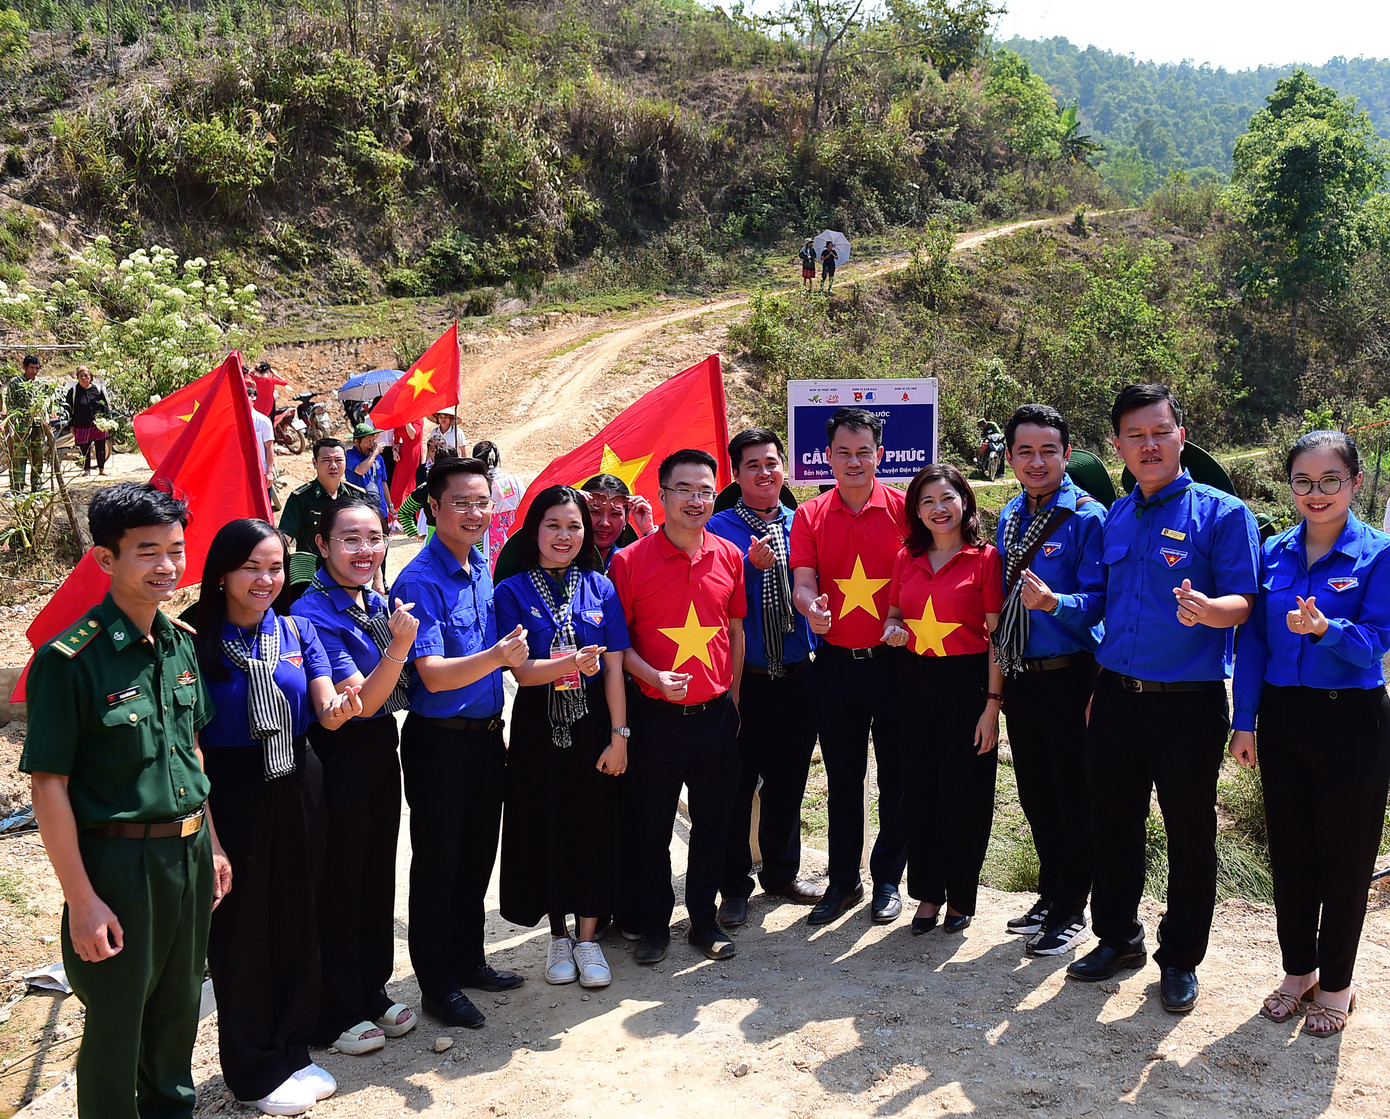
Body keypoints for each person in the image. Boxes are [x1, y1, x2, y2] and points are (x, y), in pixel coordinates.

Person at [20, 483, 232, 1119]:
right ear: (106, 559)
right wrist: (82, 902)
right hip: (119, 867)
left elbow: (191, 752)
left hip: (188, 856)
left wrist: (213, 845)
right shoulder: (70, 660)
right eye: (148, 552)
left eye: (176, 549)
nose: (167, 565)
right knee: (117, 1027)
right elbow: (48, 786)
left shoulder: (180, 643)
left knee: (177, 1016)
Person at [1066, 383, 1259, 1017]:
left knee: (1189, 832)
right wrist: (1095, 683)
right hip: (1115, 697)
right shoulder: (1116, 516)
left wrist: (1209, 610)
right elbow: (1105, 603)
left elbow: (1245, 602)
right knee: (1112, 822)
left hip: (1187, 703)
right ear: (1117, 446)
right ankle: (1118, 938)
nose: (1148, 445)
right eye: (1135, 436)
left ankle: (1179, 958)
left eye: (1159, 432)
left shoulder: (1223, 514)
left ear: (1181, 436)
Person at [194, 518, 363, 1116]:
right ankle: (251, 1067)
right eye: (252, 567)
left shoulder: (293, 628)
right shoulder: (192, 639)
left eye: (275, 568)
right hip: (230, 787)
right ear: (222, 573)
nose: (265, 580)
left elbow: (326, 707)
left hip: (297, 776)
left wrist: (345, 705)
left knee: (296, 915)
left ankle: (292, 1048)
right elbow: (190, 742)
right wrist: (210, 832)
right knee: (241, 930)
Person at [1230, 430, 1390, 1037]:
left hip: (1352, 721)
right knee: (1291, 853)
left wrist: (1327, 631)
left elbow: (1376, 644)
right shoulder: (1272, 552)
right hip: (1283, 719)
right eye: (1303, 481)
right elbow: (1253, 643)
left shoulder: (1379, 554)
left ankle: (1338, 984)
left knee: (1345, 859)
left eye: (1330, 481)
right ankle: (1299, 972)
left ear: (1354, 483)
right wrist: (1244, 721)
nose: (1316, 493)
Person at [390, 457, 530, 1029]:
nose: (475, 513)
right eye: (461, 503)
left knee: (476, 857)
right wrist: (497, 657)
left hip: (485, 739)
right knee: (438, 865)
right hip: (440, 743)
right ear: (433, 508)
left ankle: (470, 960)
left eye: (482, 502)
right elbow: (432, 674)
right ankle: (438, 984)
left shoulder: (479, 565)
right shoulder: (419, 580)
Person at [291, 496, 420, 1055]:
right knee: (339, 880)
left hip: (379, 750)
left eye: (374, 538)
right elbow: (361, 701)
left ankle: (371, 990)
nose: (365, 550)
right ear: (322, 545)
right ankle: (335, 1010)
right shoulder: (312, 610)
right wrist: (400, 646)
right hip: (337, 753)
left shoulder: (375, 599)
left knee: (375, 874)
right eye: (350, 539)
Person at [609, 449, 746, 964]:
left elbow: (735, 632)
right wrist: (652, 678)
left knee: (713, 826)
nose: (695, 500)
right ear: (662, 494)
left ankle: (703, 920)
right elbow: (617, 645)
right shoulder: (629, 561)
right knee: (651, 827)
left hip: (716, 717)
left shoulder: (729, 555)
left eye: (705, 490)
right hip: (654, 720)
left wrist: (733, 699)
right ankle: (654, 925)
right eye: (683, 489)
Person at [495, 486, 631, 988]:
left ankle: (589, 938)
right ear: (534, 530)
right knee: (548, 824)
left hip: (594, 724)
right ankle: (558, 935)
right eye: (553, 525)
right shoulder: (510, 592)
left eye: (574, 526)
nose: (564, 536)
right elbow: (522, 672)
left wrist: (619, 736)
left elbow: (614, 668)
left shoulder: (601, 587)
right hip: (539, 727)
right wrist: (569, 663)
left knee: (595, 824)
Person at [790, 407, 910, 927]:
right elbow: (803, 581)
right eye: (844, 452)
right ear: (828, 457)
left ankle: (888, 880)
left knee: (897, 775)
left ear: (879, 454)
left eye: (864, 452)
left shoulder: (906, 509)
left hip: (895, 663)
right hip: (836, 665)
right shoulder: (810, 514)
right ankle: (843, 880)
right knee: (842, 777)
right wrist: (809, 607)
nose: (854, 461)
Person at [993, 404, 1106, 955]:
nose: (1036, 461)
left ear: (1067, 453)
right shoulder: (1011, 513)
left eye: (1048, 450)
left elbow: (1101, 601)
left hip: (1070, 676)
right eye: (1025, 451)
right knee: (1035, 792)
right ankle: (1050, 893)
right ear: (1011, 456)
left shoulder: (1087, 516)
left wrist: (1055, 603)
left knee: (1073, 794)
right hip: (1021, 673)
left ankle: (1071, 908)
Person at [706, 429, 823, 929]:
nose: (764, 473)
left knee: (788, 781)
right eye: (752, 465)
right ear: (736, 474)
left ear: (784, 468)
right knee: (735, 785)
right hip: (744, 681)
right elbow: (711, 597)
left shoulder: (804, 523)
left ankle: (781, 873)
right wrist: (748, 570)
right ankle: (734, 886)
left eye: (772, 463)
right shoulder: (718, 529)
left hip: (797, 675)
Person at [882, 464, 1004, 935]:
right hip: (913, 683)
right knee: (920, 791)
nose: (939, 508)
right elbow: (894, 614)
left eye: (947, 498)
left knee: (964, 793)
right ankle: (928, 893)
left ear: (965, 502)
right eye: (927, 501)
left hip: (967, 685)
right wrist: (893, 629)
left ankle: (961, 896)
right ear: (916, 510)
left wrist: (992, 705)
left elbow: (997, 639)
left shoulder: (985, 559)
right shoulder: (905, 557)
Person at [279, 439, 369, 598]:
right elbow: (283, 540)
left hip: (349, 577)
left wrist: (377, 579)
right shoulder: (301, 498)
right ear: (315, 463)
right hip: (311, 580)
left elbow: (369, 538)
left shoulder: (356, 496)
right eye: (326, 460)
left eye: (338, 460)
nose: (333, 465)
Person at [580, 474, 656, 572]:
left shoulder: (633, 563)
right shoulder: (563, 559)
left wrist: (648, 530)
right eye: (595, 512)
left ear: (626, 519)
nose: (604, 523)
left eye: (615, 514)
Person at [474, 440, 526, 572]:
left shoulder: (477, 484)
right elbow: (524, 504)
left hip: (485, 533)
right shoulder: (514, 481)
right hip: (513, 531)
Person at [6, 353, 47, 491]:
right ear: (24, 367)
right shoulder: (15, 383)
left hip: (38, 425)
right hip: (22, 426)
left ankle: (37, 484)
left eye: (37, 368)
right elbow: (10, 405)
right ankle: (17, 486)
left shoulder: (40, 384)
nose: (34, 371)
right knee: (20, 456)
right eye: (31, 368)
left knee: (38, 455)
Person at [66, 365, 111, 476]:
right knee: (84, 447)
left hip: (98, 424)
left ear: (90, 377)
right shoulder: (73, 391)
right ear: (77, 377)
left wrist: (107, 420)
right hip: (81, 424)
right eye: (81, 376)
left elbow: (104, 406)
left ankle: (101, 469)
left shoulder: (97, 389)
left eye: (86, 375)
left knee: (100, 446)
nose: (84, 378)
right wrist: (71, 425)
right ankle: (87, 470)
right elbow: (68, 409)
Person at [346, 422, 390, 522]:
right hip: (358, 508)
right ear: (357, 442)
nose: (372, 444)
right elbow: (361, 470)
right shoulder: (349, 456)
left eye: (373, 440)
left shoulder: (378, 458)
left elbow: (383, 482)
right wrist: (374, 453)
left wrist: (390, 505)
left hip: (380, 508)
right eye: (368, 441)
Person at [244, 378, 275, 496]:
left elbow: (269, 447)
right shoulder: (234, 422)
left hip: (261, 472)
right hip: (241, 474)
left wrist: (269, 472)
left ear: (252, 397)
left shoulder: (263, 421)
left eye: (246, 395)